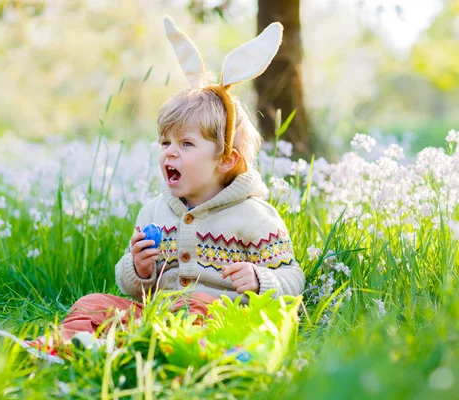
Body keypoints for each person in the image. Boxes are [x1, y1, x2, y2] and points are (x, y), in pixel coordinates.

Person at [20, 16, 305, 355]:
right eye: (165, 142)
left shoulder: (254, 217)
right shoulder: (155, 212)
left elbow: (292, 278)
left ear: (226, 159)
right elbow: (134, 288)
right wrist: (139, 269)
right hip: (157, 315)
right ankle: (56, 347)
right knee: (93, 303)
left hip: (219, 320)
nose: (170, 152)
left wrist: (261, 281)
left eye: (186, 145)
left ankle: (124, 351)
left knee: (195, 307)